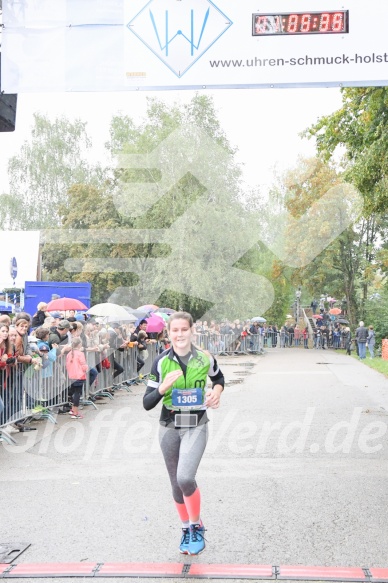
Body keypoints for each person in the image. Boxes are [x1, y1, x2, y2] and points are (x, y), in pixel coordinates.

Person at [143, 312, 224, 556]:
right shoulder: (160, 362)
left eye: (183, 329)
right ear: (169, 333)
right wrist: (163, 387)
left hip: (196, 424)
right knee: (176, 484)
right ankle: (185, 528)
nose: (179, 334)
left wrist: (217, 392)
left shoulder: (205, 358)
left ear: (192, 331)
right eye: (175, 330)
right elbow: (147, 403)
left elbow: (219, 378)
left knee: (185, 478)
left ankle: (196, 525)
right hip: (168, 427)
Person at [66, 337, 88, 419]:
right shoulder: (80, 354)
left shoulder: (69, 354)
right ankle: (75, 412)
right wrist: (86, 368)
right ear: (79, 345)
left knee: (74, 392)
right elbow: (83, 365)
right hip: (79, 375)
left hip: (71, 375)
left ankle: (72, 410)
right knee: (77, 394)